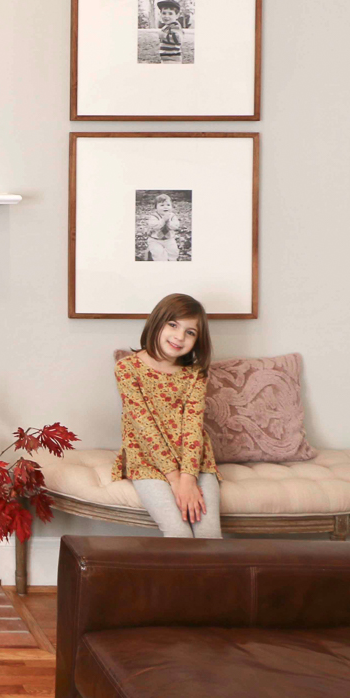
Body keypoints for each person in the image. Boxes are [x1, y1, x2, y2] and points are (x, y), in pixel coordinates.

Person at [112, 293, 221, 538]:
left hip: (195, 462)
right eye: (173, 325)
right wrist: (175, 480)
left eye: (190, 332)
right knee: (178, 532)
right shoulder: (127, 368)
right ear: (157, 322)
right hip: (147, 461)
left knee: (209, 535)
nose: (179, 337)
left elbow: (193, 426)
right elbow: (144, 427)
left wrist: (188, 477)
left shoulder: (194, 375)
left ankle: (212, 578)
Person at [143, 193, 181, 261]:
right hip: (155, 240)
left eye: (168, 205)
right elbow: (155, 226)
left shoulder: (172, 216)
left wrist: (169, 221)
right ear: (156, 208)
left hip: (169, 239)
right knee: (158, 254)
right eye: (162, 205)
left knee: (173, 252)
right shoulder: (154, 216)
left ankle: (172, 262)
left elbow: (175, 226)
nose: (165, 207)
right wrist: (163, 220)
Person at [156, 0, 184, 64]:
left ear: (177, 15)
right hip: (166, 58)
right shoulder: (168, 26)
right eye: (164, 13)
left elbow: (178, 39)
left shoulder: (175, 26)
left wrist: (164, 36)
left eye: (170, 13)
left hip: (172, 59)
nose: (166, 16)